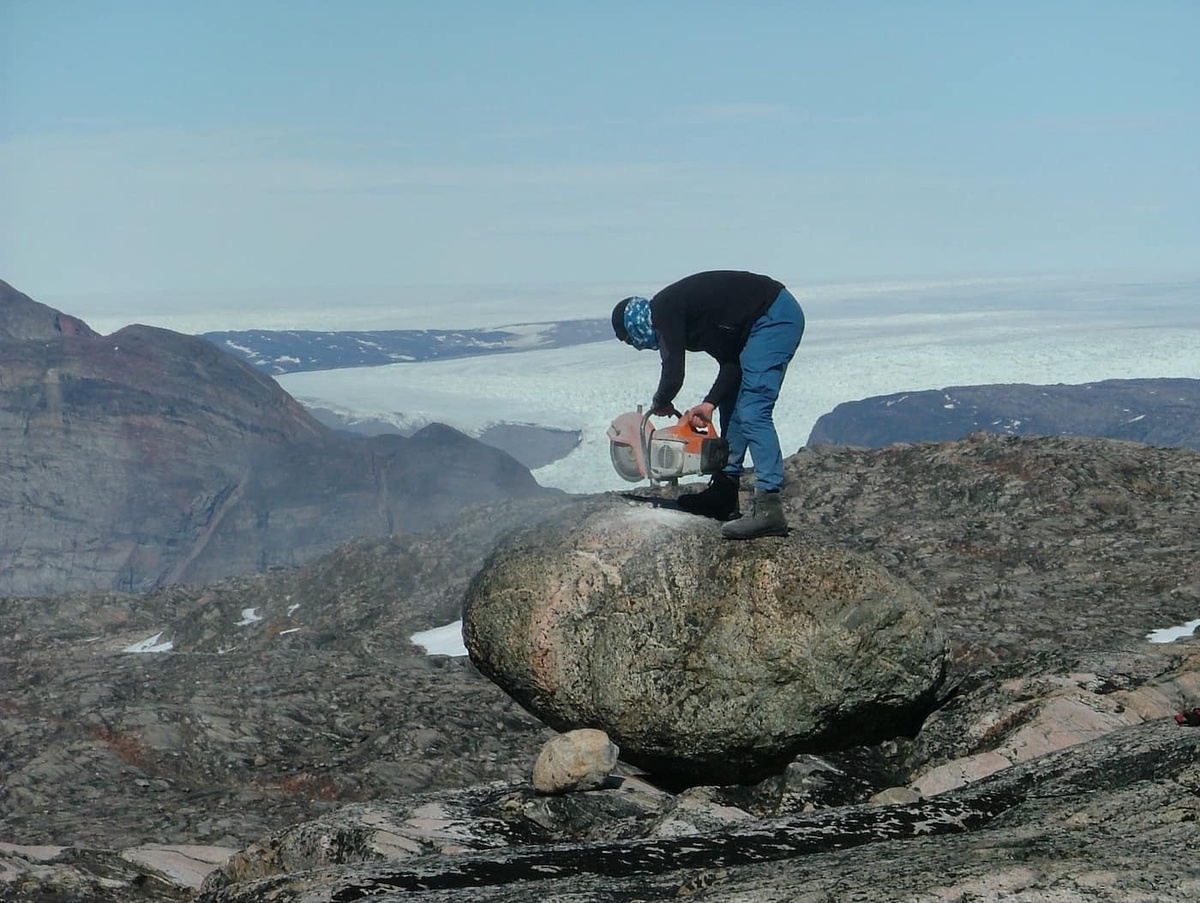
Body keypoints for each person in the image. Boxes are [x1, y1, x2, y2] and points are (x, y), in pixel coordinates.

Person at [611, 270, 805, 539]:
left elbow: (673, 372)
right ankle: (724, 494)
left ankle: (769, 508)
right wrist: (710, 403)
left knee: (753, 410)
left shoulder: (664, 311)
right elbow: (732, 362)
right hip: (763, 320)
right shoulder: (687, 317)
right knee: (733, 406)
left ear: (634, 325)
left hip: (774, 317)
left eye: (629, 339)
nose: (635, 345)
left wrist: (661, 401)